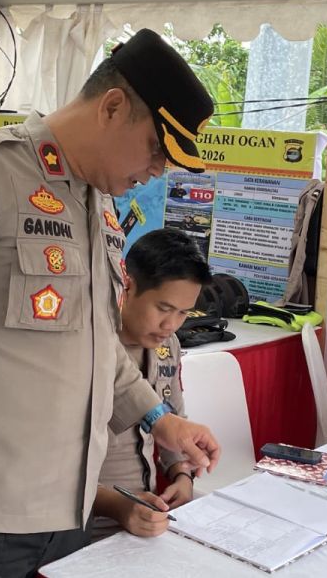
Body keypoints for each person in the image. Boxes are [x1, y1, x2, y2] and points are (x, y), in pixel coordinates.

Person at [0, 29, 223, 578]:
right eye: (156, 149)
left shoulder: (99, 203)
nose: (159, 170)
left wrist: (158, 419)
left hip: (71, 514)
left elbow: (97, 342)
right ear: (111, 107)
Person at [91, 228, 211, 540]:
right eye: (163, 308)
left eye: (183, 313)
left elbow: (175, 421)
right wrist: (119, 507)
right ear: (127, 287)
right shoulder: (90, 346)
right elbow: (59, 467)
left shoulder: (166, 344)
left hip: (146, 519)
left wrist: (181, 474)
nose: (170, 325)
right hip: (89, 523)